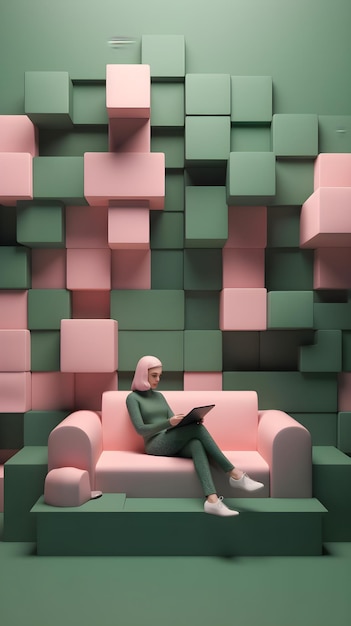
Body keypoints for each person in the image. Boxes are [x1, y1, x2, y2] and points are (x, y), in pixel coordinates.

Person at [126, 355, 264, 517]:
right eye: (154, 375)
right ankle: (235, 474)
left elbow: (172, 418)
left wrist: (186, 421)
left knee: (196, 443)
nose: (158, 379)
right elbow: (141, 429)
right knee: (197, 430)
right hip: (155, 444)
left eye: (159, 376)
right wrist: (169, 423)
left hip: (170, 439)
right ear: (143, 374)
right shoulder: (132, 398)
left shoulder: (159, 396)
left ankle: (212, 501)